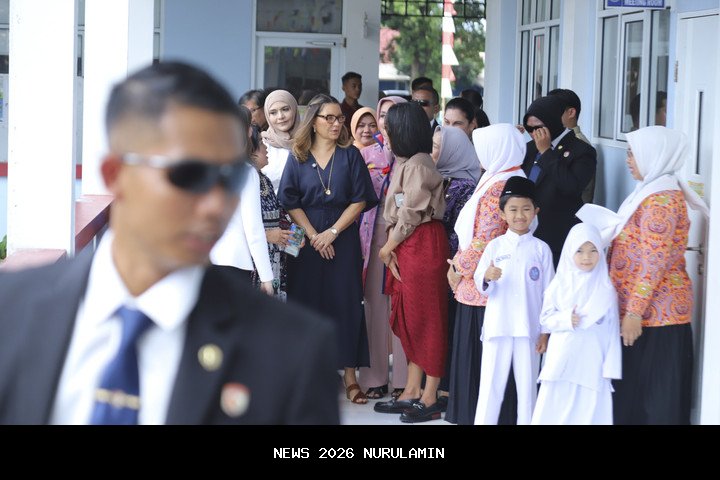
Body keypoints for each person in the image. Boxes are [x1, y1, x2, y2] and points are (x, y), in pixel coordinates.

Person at [0, 61, 340, 425]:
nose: (215, 205)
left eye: (229, 179)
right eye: (188, 175)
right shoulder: (11, 309)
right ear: (115, 175)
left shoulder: (292, 349)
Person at [577, 126, 709, 425]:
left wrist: (634, 313)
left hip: (656, 315)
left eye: (633, 154)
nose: (628, 160)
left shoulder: (661, 201)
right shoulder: (649, 192)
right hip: (643, 312)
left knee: (654, 398)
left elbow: (654, 263)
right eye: (628, 153)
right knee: (638, 395)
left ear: (654, 155)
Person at [278, 94, 378, 405]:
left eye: (339, 118)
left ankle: (350, 377)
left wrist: (332, 232)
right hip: (305, 242)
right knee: (305, 305)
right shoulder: (298, 156)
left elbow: (360, 199)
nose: (337, 123)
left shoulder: (351, 155)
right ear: (314, 122)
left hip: (343, 240)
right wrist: (313, 235)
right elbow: (289, 200)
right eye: (329, 118)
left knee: (346, 304)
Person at [445, 124, 527, 425]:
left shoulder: (499, 187)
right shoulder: (502, 178)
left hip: (485, 287)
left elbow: (485, 239)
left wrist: (457, 268)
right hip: (484, 281)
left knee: (480, 357)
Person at [372, 102, 449, 423]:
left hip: (421, 243)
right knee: (411, 318)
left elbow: (411, 214)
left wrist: (387, 248)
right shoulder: (409, 161)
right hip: (409, 243)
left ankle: (430, 395)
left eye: (389, 130)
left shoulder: (417, 165)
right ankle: (412, 389)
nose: (385, 136)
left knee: (427, 319)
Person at [473, 176, 554, 425]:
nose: (520, 215)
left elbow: (550, 293)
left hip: (529, 330)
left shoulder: (541, 249)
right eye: (513, 209)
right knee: (490, 388)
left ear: (535, 211)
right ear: (503, 213)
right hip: (498, 327)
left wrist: (545, 332)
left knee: (528, 391)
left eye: (526, 209)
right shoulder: (495, 247)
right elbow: (480, 282)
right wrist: (487, 276)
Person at [531, 223, 622, 425]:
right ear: (569, 251)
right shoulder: (559, 285)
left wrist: (611, 367)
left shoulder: (606, 289)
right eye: (579, 250)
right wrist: (565, 319)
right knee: (555, 409)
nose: (586, 257)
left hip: (593, 362)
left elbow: (613, 332)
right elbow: (545, 319)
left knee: (589, 411)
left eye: (593, 250)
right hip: (563, 358)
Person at [357, 96, 409, 400]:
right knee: (375, 306)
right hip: (373, 235)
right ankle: (375, 377)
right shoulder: (365, 154)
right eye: (382, 115)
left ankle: (403, 379)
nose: (386, 121)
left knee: (402, 306)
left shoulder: (412, 155)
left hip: (404, 236)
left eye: (393, 114)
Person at [430, 124, 481, 412]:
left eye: (437, 147)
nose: (432, 152)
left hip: (455, 264)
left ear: (453, 151)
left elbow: (451, 225)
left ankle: (447, 389)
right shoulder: (444, 178)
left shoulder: (464, 186)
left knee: (449, 322)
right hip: (443, 261)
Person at [521, 95, 597, 267]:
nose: (534, 133)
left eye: (539, 127)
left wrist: (547, 152)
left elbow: (571, 187)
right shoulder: (529, 147)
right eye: (529, 128)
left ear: (553, 122)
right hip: (528, 233)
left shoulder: (582, 150)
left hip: (557, 236)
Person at [210, 106, 275, 296]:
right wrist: (266, 277)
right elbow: (253, 229)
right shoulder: (245, 172)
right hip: (234, 260)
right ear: (248, 131)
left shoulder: (206, 167)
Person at [248, 124, 292, 300]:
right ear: (249, 148)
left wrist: (293, 237)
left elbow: (279, 214)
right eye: (260, 142)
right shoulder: (244, 181)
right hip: (255, 262)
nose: (266, 147)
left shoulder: (264, 179)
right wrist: (267, 235)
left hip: (274, 258)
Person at [548, 88, 595, 203]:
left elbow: (575, 188)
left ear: (571, 113)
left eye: (552, 110)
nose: (547, 115)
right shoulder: (554, 139)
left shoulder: (580, 145)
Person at [261, 89, 301, 194]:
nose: (280, 116)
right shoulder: (263, 146)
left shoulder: (309, 142)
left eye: (285, 109)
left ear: (294, 109)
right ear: (267, 116)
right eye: (273, 112)